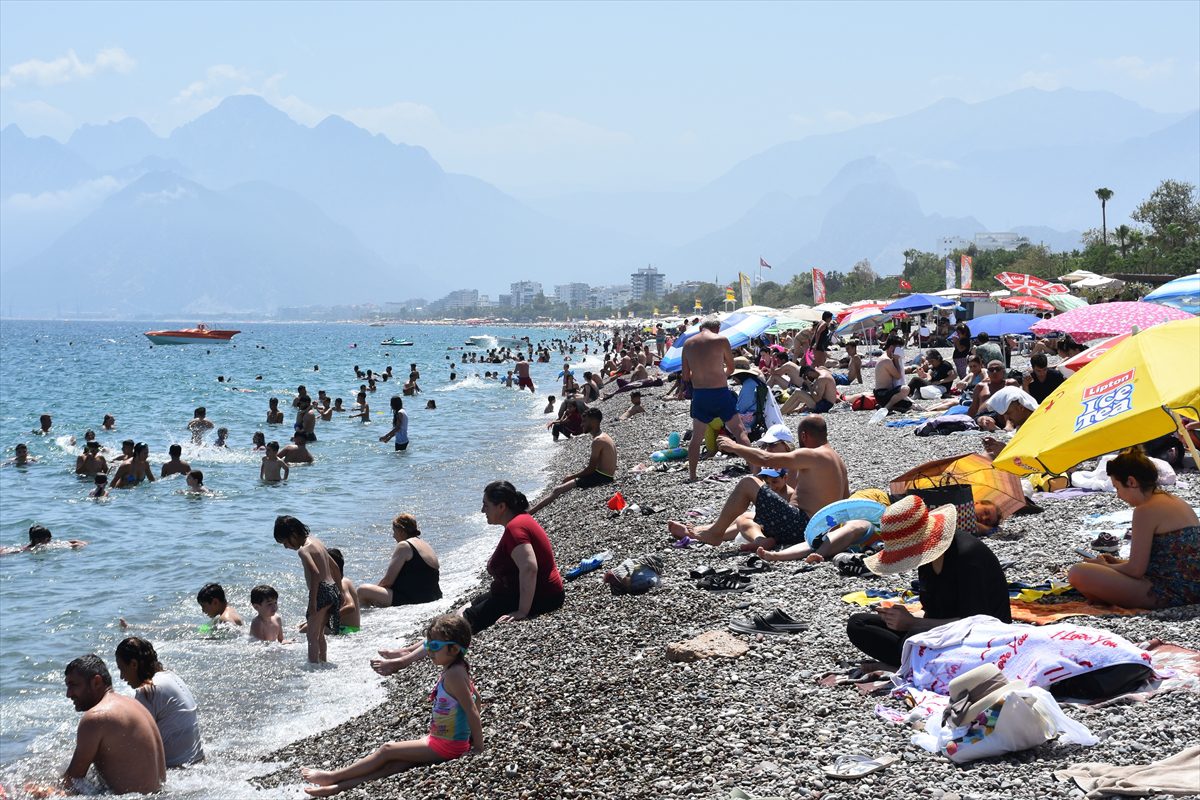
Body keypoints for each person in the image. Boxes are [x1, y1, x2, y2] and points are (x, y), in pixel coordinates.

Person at [373, 482, 563, 676]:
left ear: (502, 506)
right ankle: (410, 649)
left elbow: (529, 567)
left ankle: (403, 662)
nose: (482, 510)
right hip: (517, 591)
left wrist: (523, 610)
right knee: (463, 609)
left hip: (539, 596)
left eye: (486, 505)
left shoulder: (516, 528)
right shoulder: (519, 521)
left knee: (458, 626)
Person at [301, 615, 482, 797]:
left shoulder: (454, 674)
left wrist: (478, 748)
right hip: (443, 740)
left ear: (455, 649)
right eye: (428, 645)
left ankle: (332, 776)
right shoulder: (456, 668)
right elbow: (477, 698)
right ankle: (338, 787)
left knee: (387, 750)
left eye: (434, 647)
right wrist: (469, 739)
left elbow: (472, 709)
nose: (429, 652)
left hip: (446, 745)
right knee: (395, 765)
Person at [845, 495, 1010, 668]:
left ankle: (905, 664)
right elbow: (934, 612)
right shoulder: (927, 557)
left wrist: (912, 623)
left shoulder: (967, 556)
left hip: (982, 640)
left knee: (914, 635)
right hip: (943, 629)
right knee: (858, 624)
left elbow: (977, 623)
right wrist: (900, 618)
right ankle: (910, 662)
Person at [670, 417, 849, 549]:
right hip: (820, 528)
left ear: (804, 436)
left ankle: (714, 534)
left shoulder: (813, 453)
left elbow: (766, 458)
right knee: (745, 518)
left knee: (749, 482)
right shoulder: (837, 460)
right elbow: (846, 501)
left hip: (801, 527)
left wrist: (734, 446)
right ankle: (750, 539)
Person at [1067, 448, 1200, 608]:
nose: (1118, 495)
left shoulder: (1145, 510)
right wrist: (1116, 562)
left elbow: (1136, 570)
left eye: (1117, 488)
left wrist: (1105, 567)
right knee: (1092, 570)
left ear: (1131, 482)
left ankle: (1105, 597)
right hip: (1191, 587)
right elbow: (1164, 560)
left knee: (1078, 572)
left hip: (1171, 593)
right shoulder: (1174, 500)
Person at [62, 654, 165, 794]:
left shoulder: (96, 718)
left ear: (96, 682)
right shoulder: (135, 705)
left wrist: (42, 791)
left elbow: (71, 782)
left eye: (73, 685)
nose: (68, 694)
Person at [114, 637, 205, 768]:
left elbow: (135, 744)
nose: (122, 677)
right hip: (198, 762)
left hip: (177, 770)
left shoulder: (147, 691)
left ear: (134, 664)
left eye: (122, 669)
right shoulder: (171, 676)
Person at [681, 316, 751, 482]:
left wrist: (698, 374)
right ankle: (754, 467)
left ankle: (692, 476)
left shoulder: (688, 344)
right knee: (739, 430)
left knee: (696, 437)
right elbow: (731, 367)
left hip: (700, 395)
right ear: (717, 329)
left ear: (700, 329)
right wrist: (721, 375)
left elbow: (685, 376)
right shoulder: (721, 340)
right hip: (720, 391)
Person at [274, 515, 340, 663]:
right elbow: (335, 567)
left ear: (294, 534)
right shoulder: (318, 542)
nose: (285, 547)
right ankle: (323, 662)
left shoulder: (303, 550)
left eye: (285, 542)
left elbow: (315, 574)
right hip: (332, 590)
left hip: (321, 592)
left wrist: (312, 602)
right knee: (320, 634)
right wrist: (340, 591)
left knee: (311, 637)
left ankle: (314, 668)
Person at [528, 408, 617, 515]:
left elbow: (591, 469)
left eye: (584, 421)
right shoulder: (603, 436)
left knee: (557, 490)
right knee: (563, 485)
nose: (581, 425)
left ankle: (530, 513)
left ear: (594, 422)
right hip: (606, 476)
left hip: (602, 477)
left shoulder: (598, 440)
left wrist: (571, 477)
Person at [357, 514, 442, 608]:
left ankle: (364, 620)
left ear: (401, 531)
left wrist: (375, 594)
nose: (393, 535)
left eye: (394, 531)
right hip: (434, 596)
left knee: (363, 591)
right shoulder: (424, 544)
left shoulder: (404, 546)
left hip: (414, 598)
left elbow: (388, 581)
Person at [872, 335, 912, 414]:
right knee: (905, 389)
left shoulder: (887, 358)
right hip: (882, 394)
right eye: (898, 348)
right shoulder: (886, 360)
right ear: (891, 347)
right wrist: (896, 360)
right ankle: (886, 408)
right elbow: (897, 376)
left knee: (908, 404)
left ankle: (889, 406)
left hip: (885, 393)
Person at [327, 549, 362, 634]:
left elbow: (351, 606)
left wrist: (329, 617)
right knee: (305, 626)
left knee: (308, 629)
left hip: (348, 630)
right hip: (347, 628)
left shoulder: (343, 583)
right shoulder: (337, 583)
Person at [1, 524, 87, 556]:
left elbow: (68, 542)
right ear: (38, 540)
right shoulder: (35, 548)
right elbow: (69, 545)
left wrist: (76, 542)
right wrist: (74, 546)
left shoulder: (35, 544)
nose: (50, 541)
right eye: (48, 539)